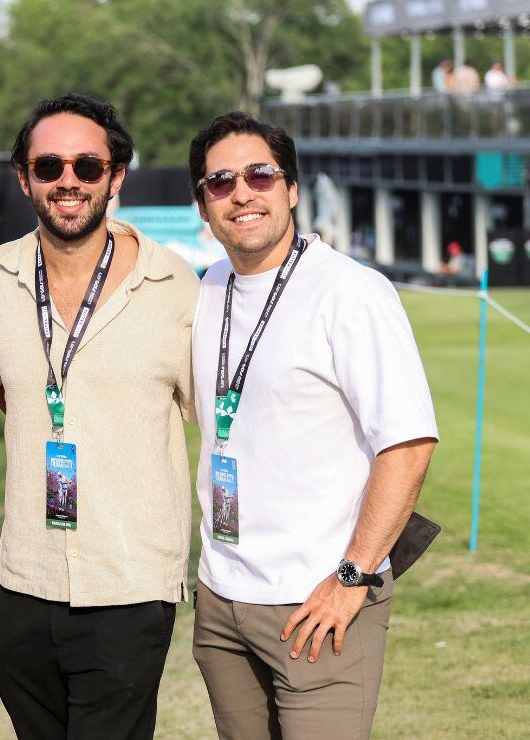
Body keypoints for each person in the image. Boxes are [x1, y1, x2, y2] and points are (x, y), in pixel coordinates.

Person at [186, 111, 438, 739]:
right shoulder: (208, 287)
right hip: (221, 600)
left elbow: (407, 445)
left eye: (260, 175)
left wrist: (353, 576)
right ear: (203, 204)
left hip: (317, 600)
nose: (241, 192)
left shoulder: (350, 292)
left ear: (291, 189)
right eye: (220, 182)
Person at [0, 93, 200, 738]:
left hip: (130, 585)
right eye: (49, 167)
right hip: (23, 581)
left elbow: (219, 416)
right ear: (25, 177)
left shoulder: (174, 284)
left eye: (88, 167)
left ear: (115, 176)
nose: (68, 181)